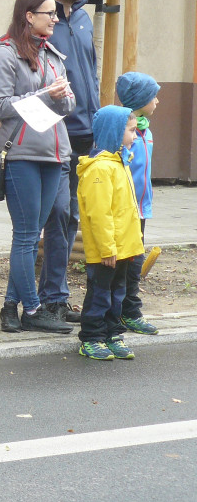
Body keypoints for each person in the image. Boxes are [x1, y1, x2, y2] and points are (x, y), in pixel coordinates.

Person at [0, 0, 76, 334]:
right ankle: (33, 309)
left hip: (55, 154)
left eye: (56, 13)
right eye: (49, 13)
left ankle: (12, 305)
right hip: (22, 153)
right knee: (25, 236)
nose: (55, 19)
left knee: (30, 237)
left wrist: (63, 97)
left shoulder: (52, 54)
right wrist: (44, 94)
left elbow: (66, 107)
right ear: (29, 16)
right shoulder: (6, 54)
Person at [41, 0, 97, 324]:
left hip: (87, 133)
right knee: (55, 214)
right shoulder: (39, 22)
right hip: (54, 135)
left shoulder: (82, 18)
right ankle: (42, 299)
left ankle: (56, 298)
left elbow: (89, 70)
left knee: (72, 216)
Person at [76, 106, 144, 360]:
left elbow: (126, 210)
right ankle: (92, 337)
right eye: (130, 130)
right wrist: (107, 248)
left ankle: (112, 333)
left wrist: (133, 246)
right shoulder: (100, 169)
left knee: (118, 293)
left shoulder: (119, 163)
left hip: (123, 249)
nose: (135, 135)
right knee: (100, 294)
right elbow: (99, 214)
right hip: (107, 251)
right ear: (114, 132)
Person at [115, 71, 162, 336]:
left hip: (141, 207)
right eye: (153, 96)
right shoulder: (124, 132)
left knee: (134, 259)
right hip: (125, 209)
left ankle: (128, 309)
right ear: (140, 99)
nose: (157, 101)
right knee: (129, 260)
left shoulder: (145, 131)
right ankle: (127, 311)